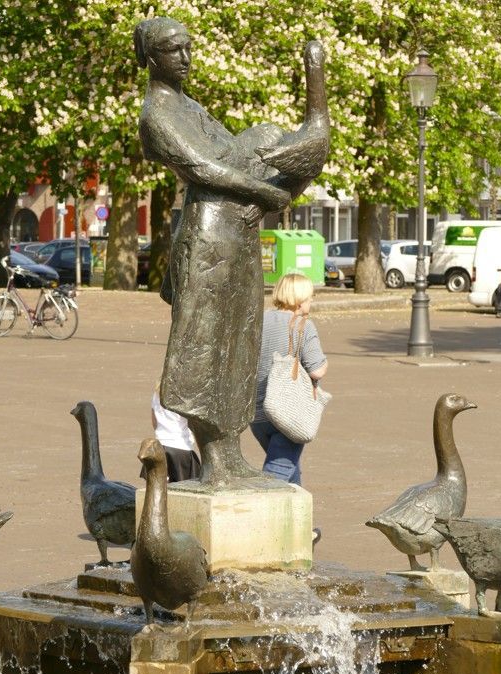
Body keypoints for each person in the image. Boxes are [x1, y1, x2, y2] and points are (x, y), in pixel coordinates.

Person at [134, 17, 327, 486]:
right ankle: (215, 458)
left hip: (236, 233)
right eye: (172, 49)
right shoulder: (157, 114)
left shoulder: (191, 106)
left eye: (187, 47)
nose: (184, 57)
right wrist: (267, 193)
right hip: (207, 238)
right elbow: (204, 168)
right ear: (150, 58)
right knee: (205, 348)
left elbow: (231, 152)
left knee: (239, 343)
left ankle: (229, 452)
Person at [250, 273, 328, 486]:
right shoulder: (303, 325)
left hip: (257, 414)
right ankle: (257, 517)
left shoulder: (258, 320)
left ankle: (299, 518)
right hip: (288, 414)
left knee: (290, 473)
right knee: (274, 479)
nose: (311, 301)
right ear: (300, 299)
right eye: (310, 297)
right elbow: (317, 371)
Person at [151, 381, 201, 482]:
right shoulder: (186, 396)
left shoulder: (157, 394)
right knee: (185, 490)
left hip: (160, 446)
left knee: (160, 488)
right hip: (181, 448)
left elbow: (154, 422)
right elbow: (194, 424)